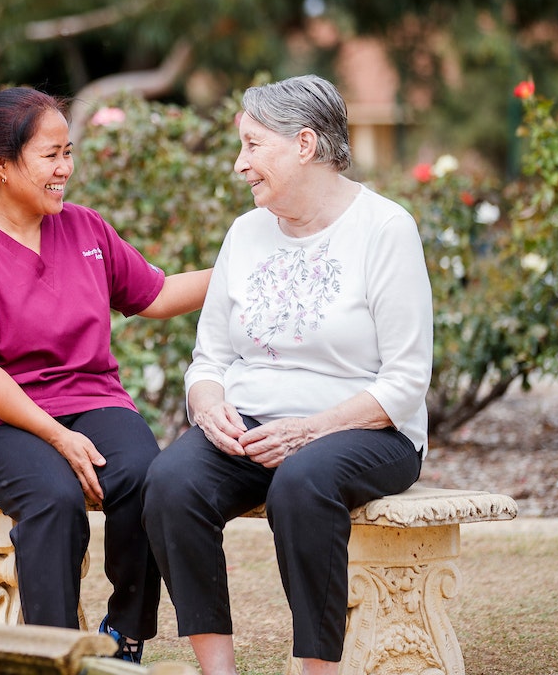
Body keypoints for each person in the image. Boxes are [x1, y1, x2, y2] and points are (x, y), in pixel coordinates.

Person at [141, 75, 433, 675]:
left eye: (252, 146)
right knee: (170, 481)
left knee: (301, 482)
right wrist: (209, 403)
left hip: (370, 431)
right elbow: (209, 358)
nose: (238, 164)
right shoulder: (245, 234)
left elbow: (405, 382)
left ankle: (315, 670)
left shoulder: (385, 230)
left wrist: (311, 429)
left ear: (304, 144)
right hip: (251, 428)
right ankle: (217, 670)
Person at [0, 86, 210, 663]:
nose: (65, 169)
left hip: (93, 398)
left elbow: (156, 294)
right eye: (50, 156)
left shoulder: (85, 229)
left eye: (68, 152)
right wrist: (57, 437)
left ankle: (123, 636)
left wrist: (245, 266)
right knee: (52, 499)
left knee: (145, 476)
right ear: (1, 165)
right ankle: (51, 652)